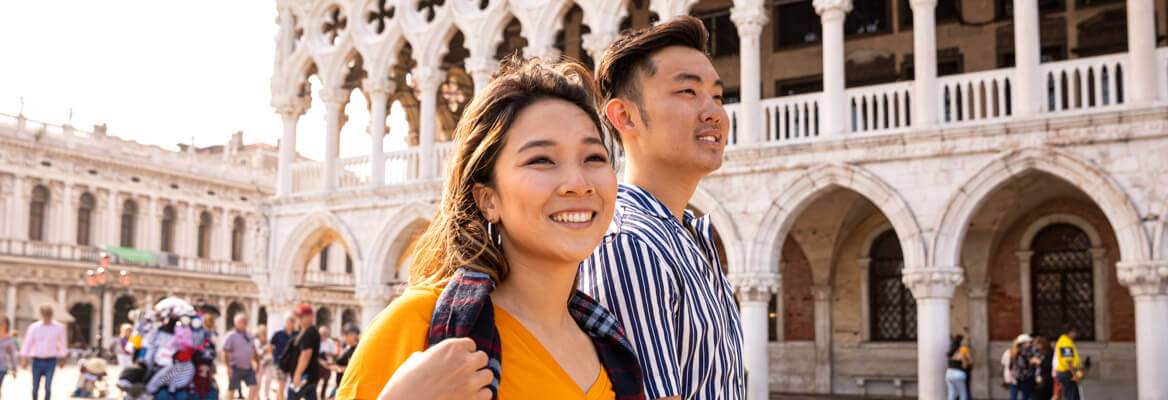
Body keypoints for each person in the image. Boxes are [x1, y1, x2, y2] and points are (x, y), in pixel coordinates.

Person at [336, 56, 644, 400]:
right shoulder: (418, 324)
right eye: (541, 160)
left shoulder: (610, 344)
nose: (579, 183)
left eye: (594, 158)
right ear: (488, 199)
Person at [577, 15, 742, 400]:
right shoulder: (630, 245)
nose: (714, 112)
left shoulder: (684, 239)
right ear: (625, 116)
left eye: (717, 96)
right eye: (688, 92)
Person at [20, 304, 68, 400]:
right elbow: (27, 343)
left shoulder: (59, 327)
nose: (47, 316)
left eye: (49, 313)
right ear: (41, 314)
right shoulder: (34, 327)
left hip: (51, 360)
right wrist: (24, 359)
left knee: (48, 386)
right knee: (35, 387)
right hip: (37, 360)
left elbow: (63, 344)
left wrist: (63, 359)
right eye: (45, 313)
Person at [284, 304, 320, 400]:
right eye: (298, 317)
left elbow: (306, 354)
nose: (299, 320)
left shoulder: (308, 333)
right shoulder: (313, 331)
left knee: (292, 397)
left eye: (301, 317)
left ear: (310, 317)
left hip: (303, 376)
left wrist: (297, 375)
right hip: (311, 375)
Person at [224, 313, 260, 400]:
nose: (245, 323)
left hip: (248, 367)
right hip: (235, 367)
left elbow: (254, 350)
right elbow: (225, 352)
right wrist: (228, 367)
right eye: (242, 321)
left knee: (254, 386)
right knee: (231, 390)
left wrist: (258, 363)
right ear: (236, 323)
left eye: (246, 321)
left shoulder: (250, 335)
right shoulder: (231, 336)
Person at [326, 325, 360, 400]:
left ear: (353, 335)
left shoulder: (355, 350)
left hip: (346, 384)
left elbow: (352, 369)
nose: (344, 337)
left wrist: (338, 368)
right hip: (340, 382)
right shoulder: (347, 347)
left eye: (346, 334)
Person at [269, 313, 297, 400]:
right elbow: (270, 345)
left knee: (283, 385)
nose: (291, 323)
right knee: (282, 383)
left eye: (293, 321)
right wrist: (274, 357)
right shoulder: (278, 334)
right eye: (289, 321)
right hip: (279, 363)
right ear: (285, 322)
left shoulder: (297, 334)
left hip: (290, 364)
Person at [1007, 334, 1041, 400]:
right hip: (1025, 377)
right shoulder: (1023, 351)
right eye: (1028, 342)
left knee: (1025, 395)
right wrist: (1033, 361)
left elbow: (1010, 366)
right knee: (1028, 396)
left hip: (1019, 377)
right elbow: (1023, 364)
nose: (1030, 344)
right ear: (1023, 343)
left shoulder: (1015, 350)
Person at [1054, 325, 1083, 400]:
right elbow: (1068, 360)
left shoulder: (1066, 341)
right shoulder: (1065, 342)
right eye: (1074, 332)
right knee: (1071, 396)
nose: (1076, 334)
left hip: (1068, 372)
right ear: (1070, 332)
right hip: (1067, 373)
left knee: (1073, 396)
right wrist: (1075, 375)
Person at [946, 334, 971, 400]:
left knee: (951, 392)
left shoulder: (952, 351)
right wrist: (968, 359)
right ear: (961, 341)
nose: (965, 341)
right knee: (962, 393)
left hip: (948, 374)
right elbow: (965, 365)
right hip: (958, 374)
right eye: (964, 340)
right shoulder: (963, 351)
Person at [317, 327, 338, 400]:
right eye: (322, 334)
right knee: (315, 382)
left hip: (328, 365)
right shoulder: (317, 342)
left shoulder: (330, 342)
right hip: (318, 365)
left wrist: (326, 354)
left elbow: (335, 354)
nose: (323, 336)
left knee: (326, 382)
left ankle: (322, 397)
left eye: (325, 334)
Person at [1033, 335, 1054, 400]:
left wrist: (1039, 362)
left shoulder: (1050, 353)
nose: (1036, 346)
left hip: (1046, 380)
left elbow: (1049, 366)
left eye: (1037, 344)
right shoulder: (1038, 352)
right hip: (1038, 379)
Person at [0, 315, 18, 392]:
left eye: (2, 322)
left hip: (2, 366)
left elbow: (12, 354)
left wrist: (14, 368)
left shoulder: (9, 338)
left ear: (7, 325)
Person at [254, 324, 271, 400]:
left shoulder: (268, 341)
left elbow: (270, 352)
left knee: (268, 378)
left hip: (267, 362)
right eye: (262, 332)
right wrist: (264, 350)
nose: (264, 333)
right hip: (259, 363)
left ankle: (266, 395)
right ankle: (257, 396)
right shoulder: (256, 341)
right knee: (258, 381)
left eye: (265, 332)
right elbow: (258, 353)